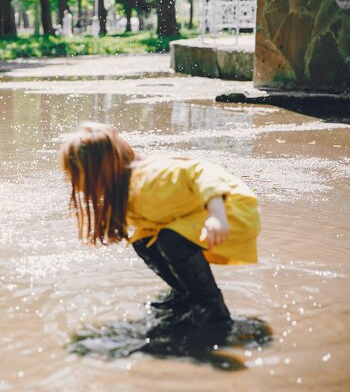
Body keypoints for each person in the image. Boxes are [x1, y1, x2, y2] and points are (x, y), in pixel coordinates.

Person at [59, 122, 261, 328]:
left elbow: (201, 170)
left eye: (75, 174)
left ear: (98, 171)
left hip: (230, 209)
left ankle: (211, 312)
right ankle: (185, 294)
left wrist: (216, 215)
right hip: (199, 212)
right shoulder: (123, 188)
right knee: (142, 240)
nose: (73, 181)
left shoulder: (151, 178)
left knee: (170, 240)